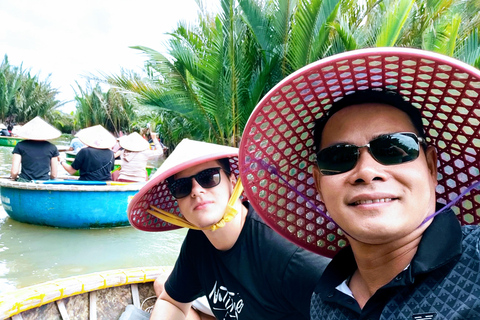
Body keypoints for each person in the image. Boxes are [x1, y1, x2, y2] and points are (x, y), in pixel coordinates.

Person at [238, 47, 480, 319]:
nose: (366, 171)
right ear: (319, 184)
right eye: (339, 157)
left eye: (393, 149)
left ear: (431, 166)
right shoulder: (323, 300)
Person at [126, 138, 330, 320]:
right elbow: (172, 302)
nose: (196, 191)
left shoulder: (287, 255)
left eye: (208, 177)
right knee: (163, 285)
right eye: (182, 187)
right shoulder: (198, 240)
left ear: (233, 182)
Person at [10, 116, 61, 182]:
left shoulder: (20, 145)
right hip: (44, 182)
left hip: (25, 181)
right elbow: (54, 175)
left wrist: (13, 178)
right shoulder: (52, 147)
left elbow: (14, 172)